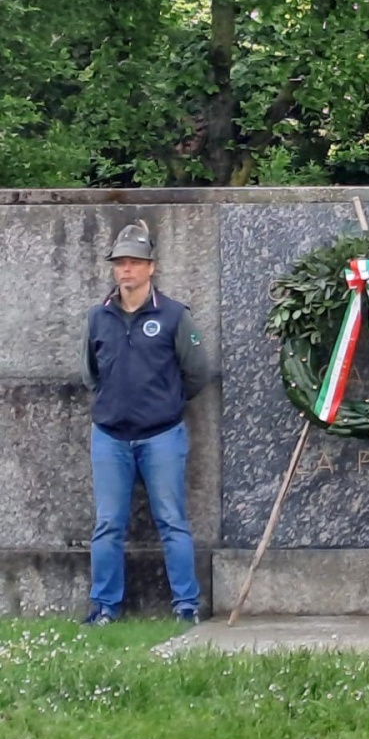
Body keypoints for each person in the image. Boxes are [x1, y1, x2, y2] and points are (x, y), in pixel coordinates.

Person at [81, 220, 211, 626]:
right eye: (121, 263)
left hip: (162, 437)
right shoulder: (97, 317)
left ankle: (186, 606)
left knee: (172, 522)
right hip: (110, 437)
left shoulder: (173, 315)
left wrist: (165, 404)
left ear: (151, 267)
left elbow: (197, 373)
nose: (127, 270)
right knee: (107, 526)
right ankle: (104, 607)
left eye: (135, 262)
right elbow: (91, 374)